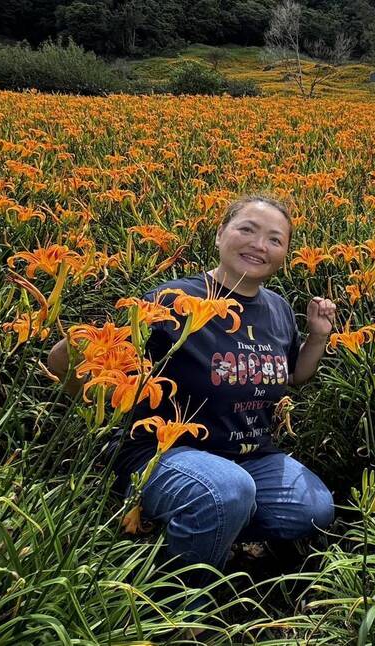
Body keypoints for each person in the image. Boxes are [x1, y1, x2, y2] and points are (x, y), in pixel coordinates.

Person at [47, 194, 336, 583]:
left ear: (284, 254)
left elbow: (291, 378)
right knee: (225, 491)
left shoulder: (278, 309)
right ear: (220, 235)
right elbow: (74, 361)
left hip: (248, 457)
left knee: (313, 510)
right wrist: (98, 401)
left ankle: (200, 525)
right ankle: (183, 598)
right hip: (163, 451)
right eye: (246, 230)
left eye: (274, 239)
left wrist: (317, 339)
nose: (258, 245)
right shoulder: (173, 299)